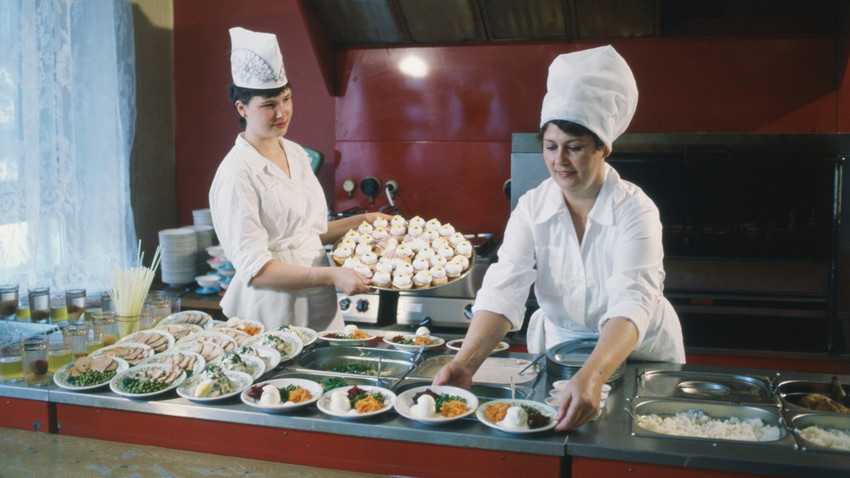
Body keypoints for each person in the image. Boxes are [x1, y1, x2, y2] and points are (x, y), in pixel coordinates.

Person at [433, 45, 685, 431]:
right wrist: (465, 363)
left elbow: (632, 299)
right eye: (551, 147)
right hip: (561, 353)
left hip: (638, 355)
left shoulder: (636, 209)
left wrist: (595, 374)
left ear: (604, 147)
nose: (559, 161)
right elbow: (505, 288)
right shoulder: (533, 208)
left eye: (575, 148)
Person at [209, 27, 389, 331]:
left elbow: (307, 234)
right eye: (269, 105)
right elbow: (257, 270)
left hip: (318, 305)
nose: (282, 112)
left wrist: (365, 221)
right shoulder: (235, 174)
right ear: (242, 108)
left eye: (286, 99)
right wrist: (333, 275)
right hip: (270, 313)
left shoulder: (295, 154)